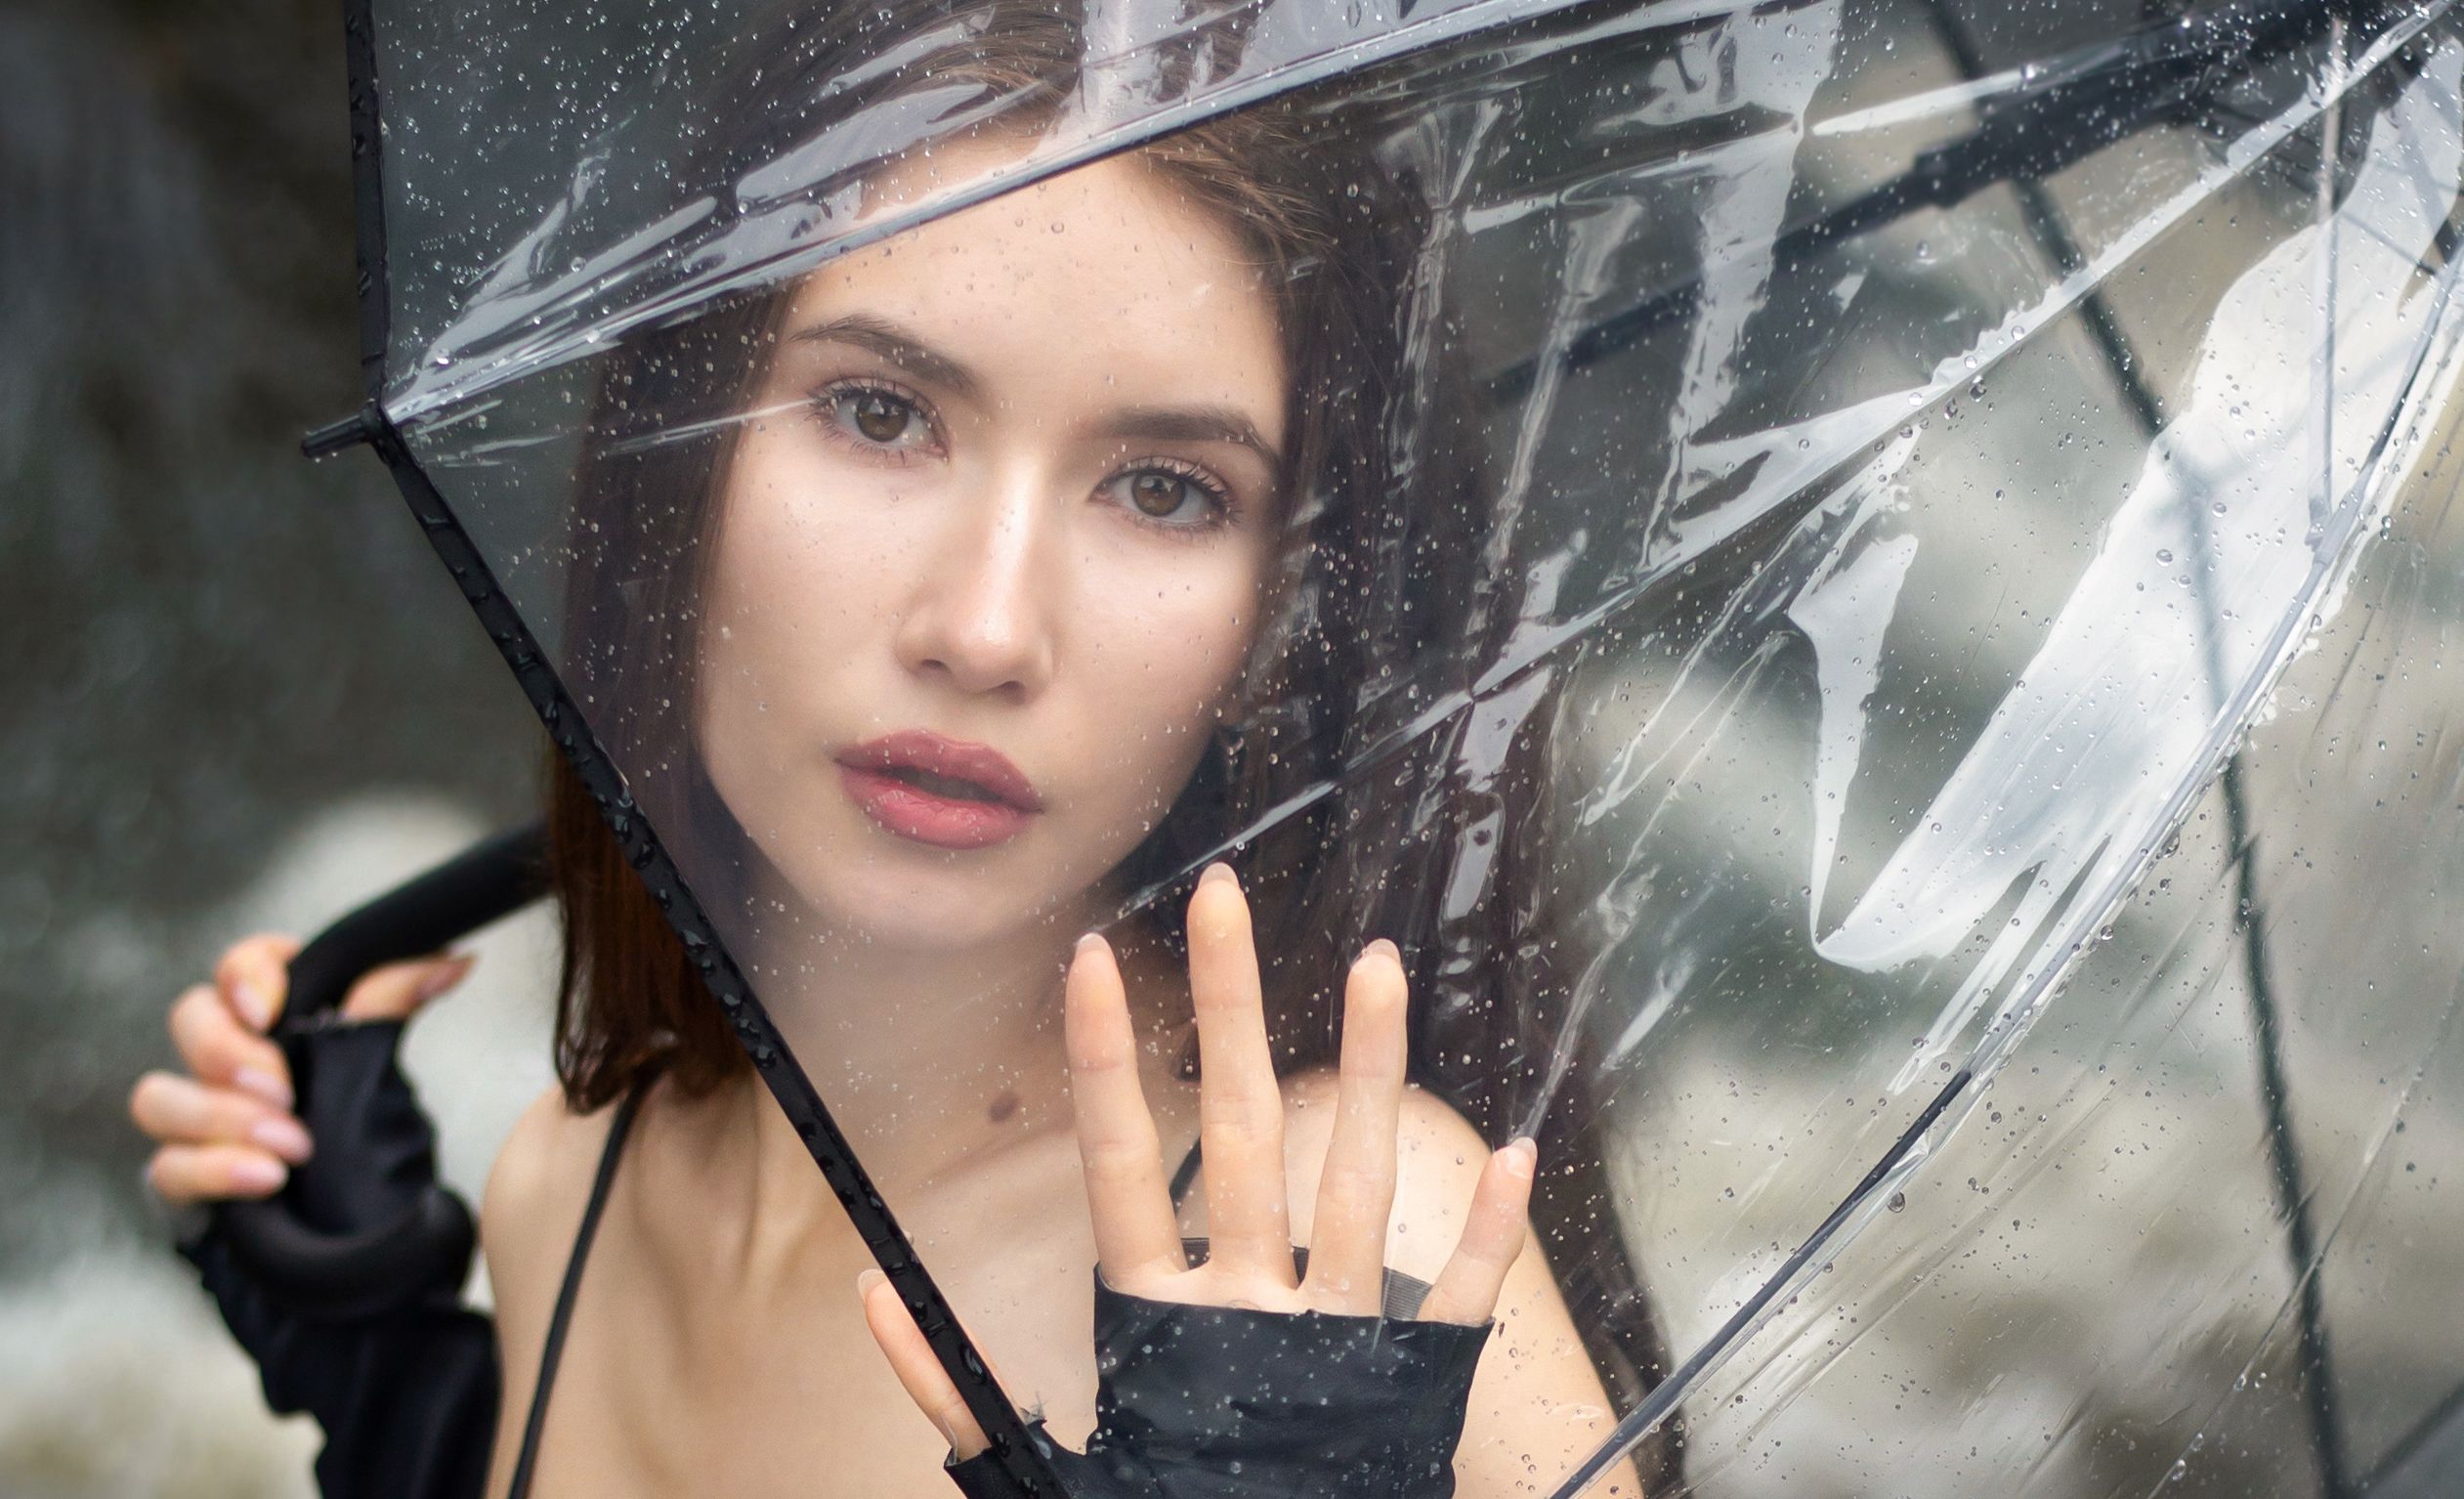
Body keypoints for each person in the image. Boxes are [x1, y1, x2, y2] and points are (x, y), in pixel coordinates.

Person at [132, 3, 1678, 1494]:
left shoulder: (1363, 1268)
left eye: (1164, 489)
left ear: (1289, 610)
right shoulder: (566, 1184)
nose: (984, 627)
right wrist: (382, 1375)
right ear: (683, 458)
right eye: (880, 413)